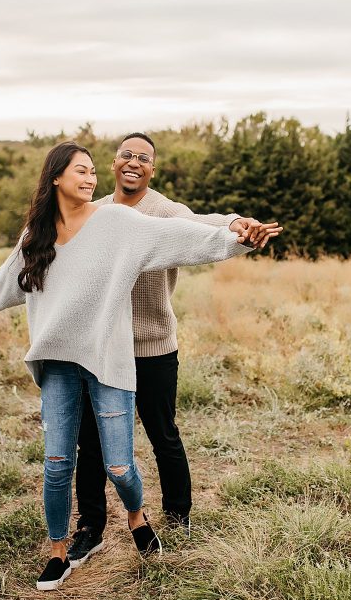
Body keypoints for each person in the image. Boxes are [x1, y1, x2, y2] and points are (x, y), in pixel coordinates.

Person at [0, 141, 280, 591]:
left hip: (129, 352)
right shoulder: (43, 233)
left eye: (93, 171)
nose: (92, 177)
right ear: (55, 177)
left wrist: (235, 233)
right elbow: (7, 279)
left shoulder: (128, 219)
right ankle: (69, 544)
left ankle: (154, 519)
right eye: (82, 170)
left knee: (140, 451)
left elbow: (187, 232)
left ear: (151, 167)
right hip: (62, 361)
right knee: (64, 460)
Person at [68, 132, 277, 569]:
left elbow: (204, 221)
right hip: (101, 351)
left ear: (152, 169)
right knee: (90, 440)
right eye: (126, 154)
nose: (133, 162)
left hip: (153, 347)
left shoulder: (165, 211)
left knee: (163, 434)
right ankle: (90, 529)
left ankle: (178, 517)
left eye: (143, 158)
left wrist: (238, 223)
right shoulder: (96, 213)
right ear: (113, 163)